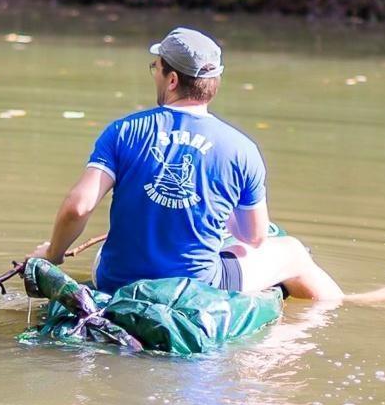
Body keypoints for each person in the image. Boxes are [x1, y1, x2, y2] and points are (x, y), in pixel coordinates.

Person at [28, 26, 348, 300]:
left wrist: (53, 254)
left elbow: (78, 207)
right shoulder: (242, 149)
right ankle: (343, 305)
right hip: (196, 288)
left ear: (171, 80)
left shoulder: (124, 131)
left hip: (114, 280)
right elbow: (254, 237)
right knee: (292, 252)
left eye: (155, 67)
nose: (154, 73)